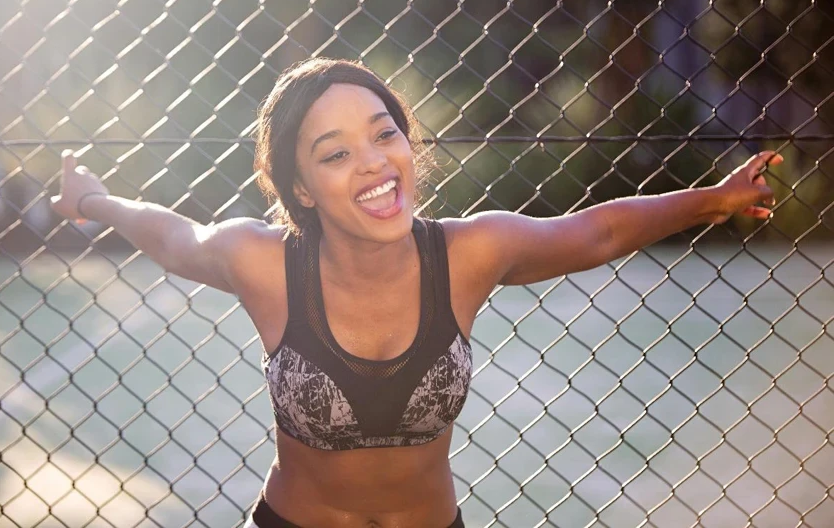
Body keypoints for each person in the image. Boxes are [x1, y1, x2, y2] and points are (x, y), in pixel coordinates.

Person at [50, 57, 781, 528]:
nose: (373, 163)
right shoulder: (266, 262)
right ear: (301, 187)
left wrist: (711, 201)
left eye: (384, 134)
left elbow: (592, 233)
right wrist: (95, 203)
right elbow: (174, 237)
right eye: (335, 153)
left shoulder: (468, 253)